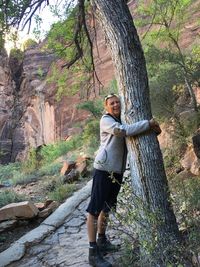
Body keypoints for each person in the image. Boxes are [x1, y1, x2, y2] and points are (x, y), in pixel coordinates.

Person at [86, 93, 161, 267]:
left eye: (117, 102)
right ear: (106, 107)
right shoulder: (106, 120)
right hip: (103, 170)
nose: (115, 105)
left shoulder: (124, 118)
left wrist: (152, 129)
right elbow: (122, 131)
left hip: (116, 172)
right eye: (111, 103)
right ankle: (92, 252)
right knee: (94, 209)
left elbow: (131, 129)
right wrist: (148, 124)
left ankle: (102, 240)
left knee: (107, 207)